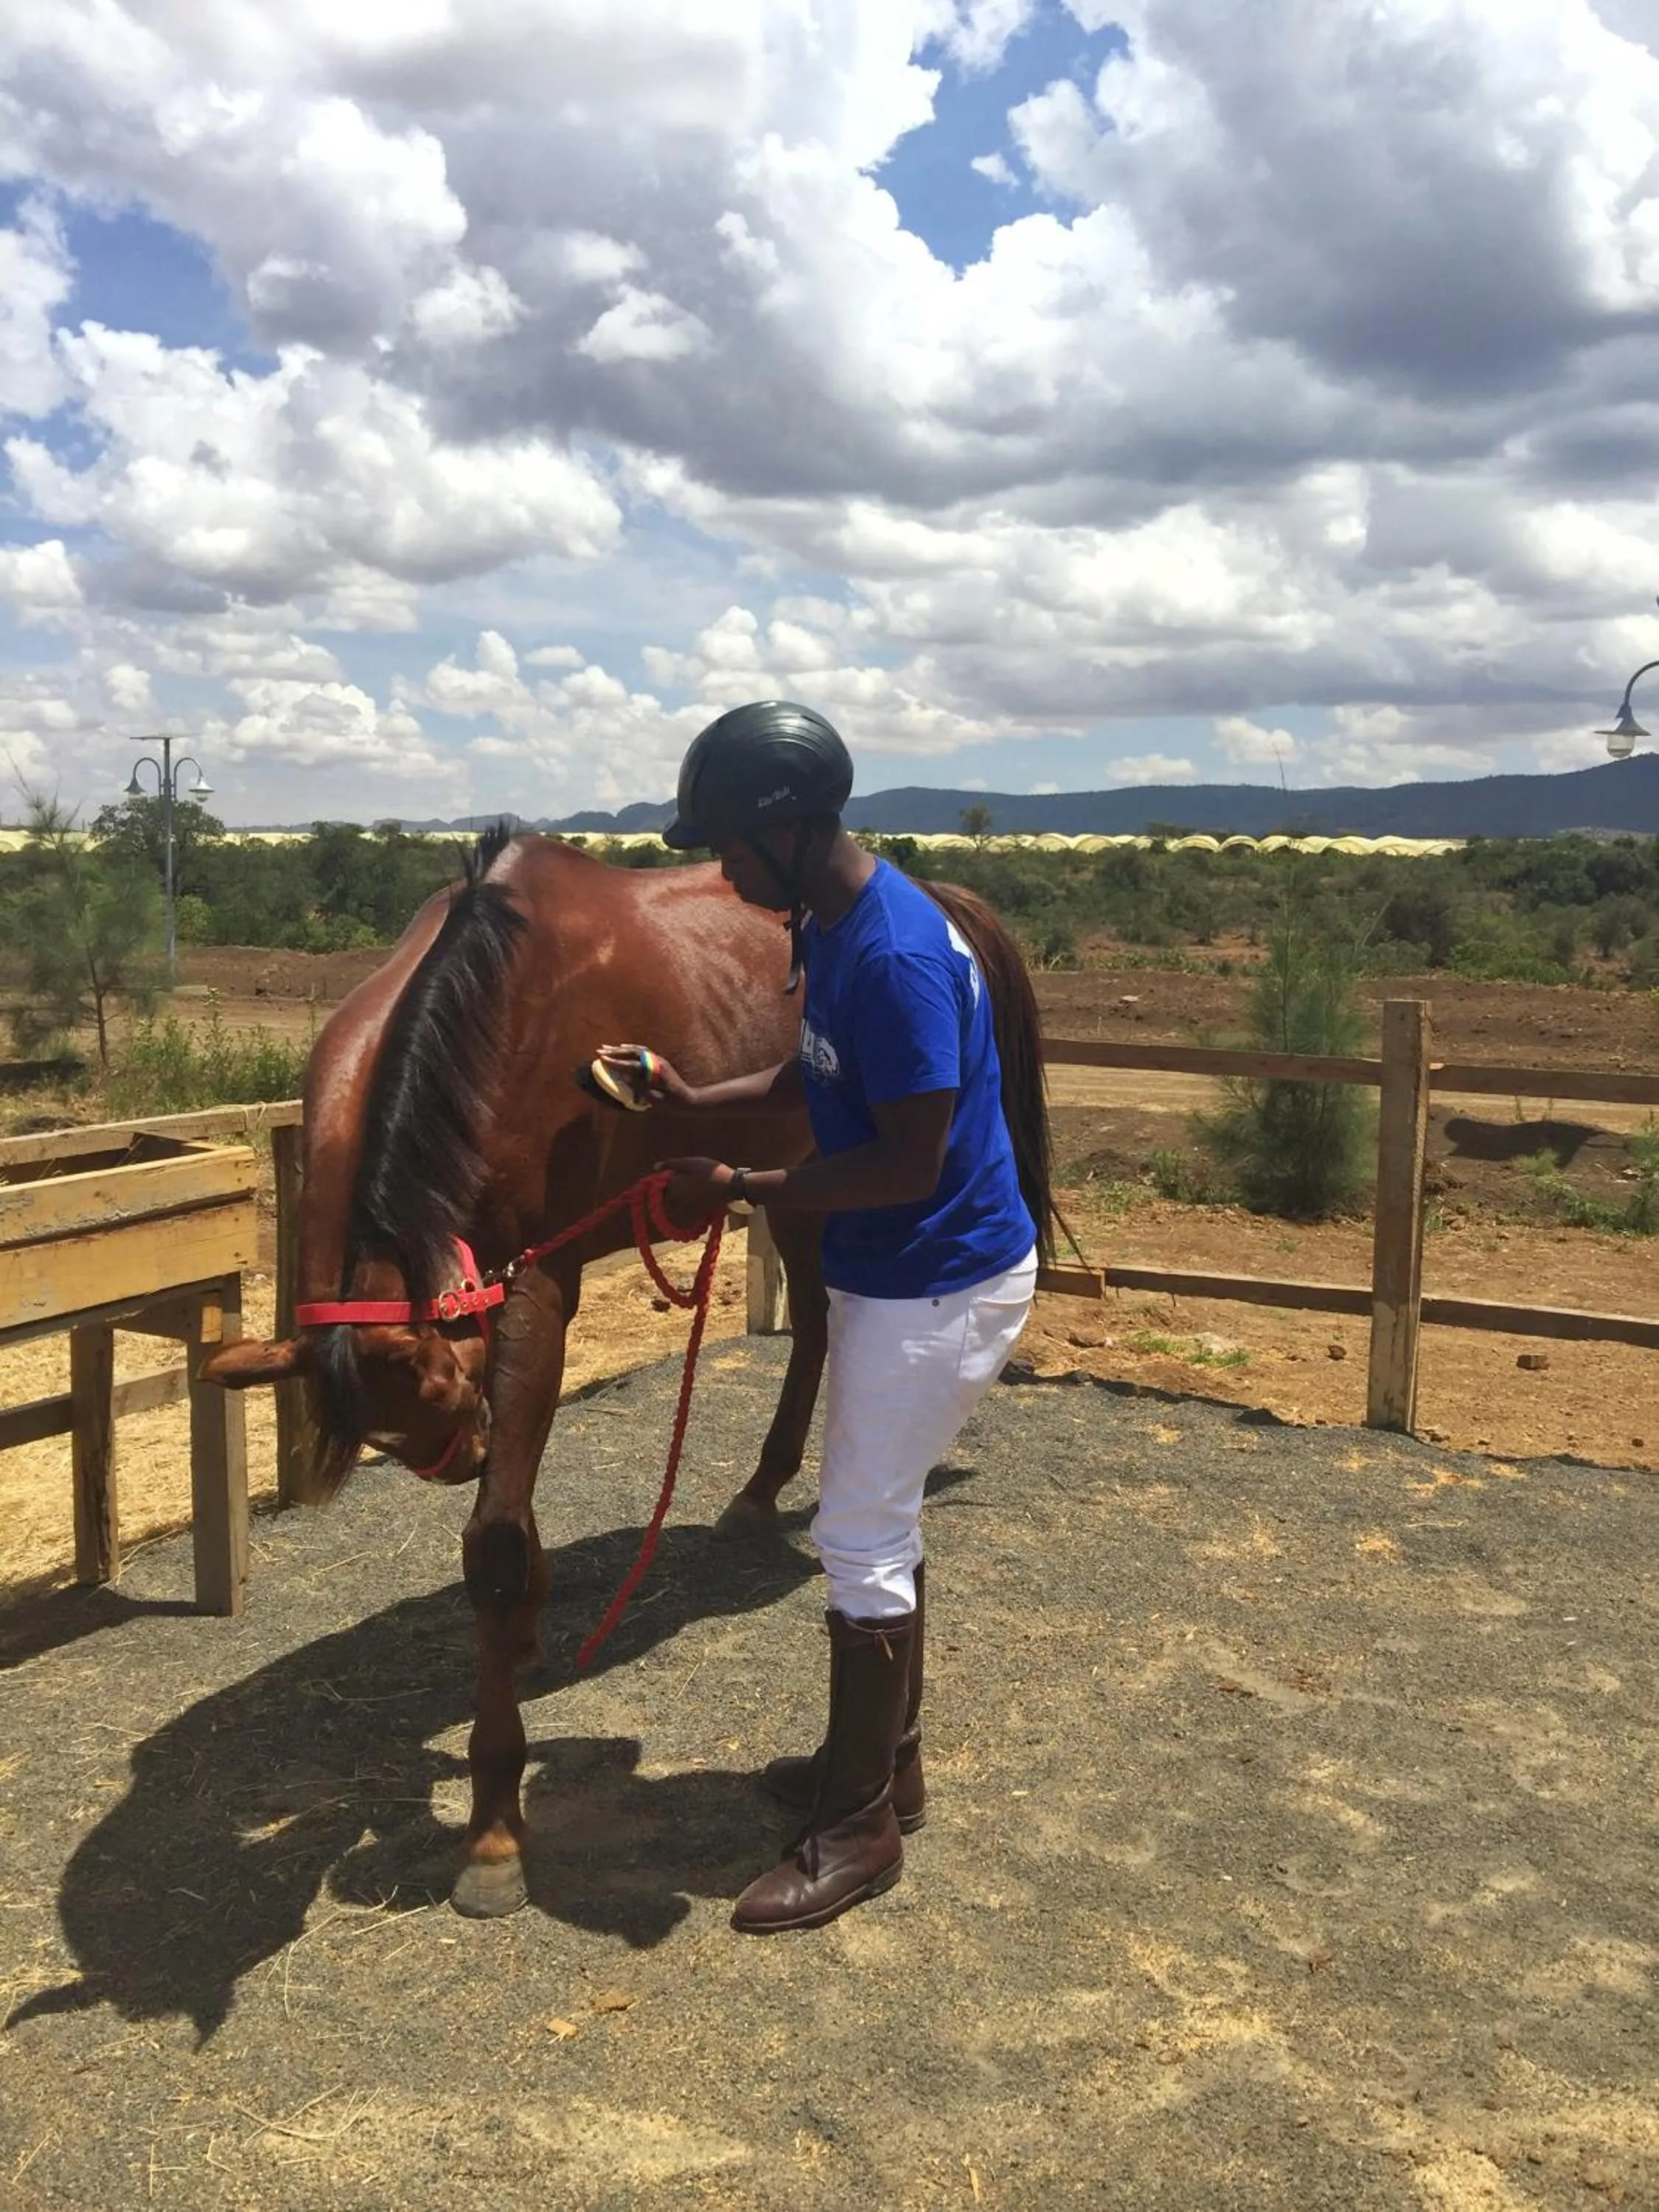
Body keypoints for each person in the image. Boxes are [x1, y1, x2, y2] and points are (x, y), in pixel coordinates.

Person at [598, 699, 1037, 1935]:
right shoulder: (843, 925)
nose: (720, 870)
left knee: (856, 1535)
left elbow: (904, 1160)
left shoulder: (892, 952)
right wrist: (699, 1099)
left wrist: (738, 1186)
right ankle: (883, 1769)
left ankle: (857, 1830)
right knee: (878, 1524)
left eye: (730, 844)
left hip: (933, 1273)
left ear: (788, 826)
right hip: (906, 1270)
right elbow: (818, 1073)